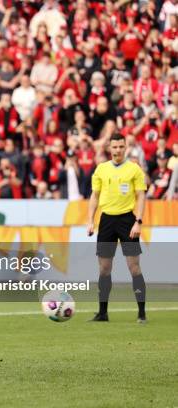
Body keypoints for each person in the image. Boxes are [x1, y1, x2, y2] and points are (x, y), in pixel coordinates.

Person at [87, 134, 147, 323]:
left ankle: (141, 313)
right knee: (104, 269)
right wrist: (90, 220)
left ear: (125, 147)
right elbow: (94, 196)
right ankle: (103, 313)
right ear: (109, 148)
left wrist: (138, 221)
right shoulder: (101, 169)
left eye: (121, 147)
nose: (118, 150)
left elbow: (141, 196)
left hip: (127, 221)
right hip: (106, 221)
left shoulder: (134, 169)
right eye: (114, 147)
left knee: (134, 267)